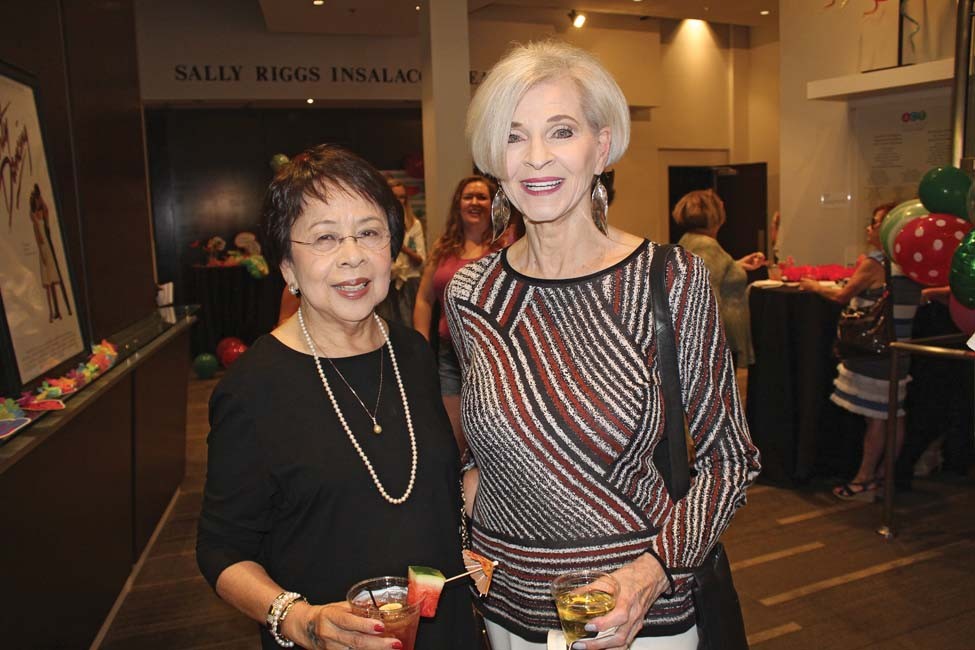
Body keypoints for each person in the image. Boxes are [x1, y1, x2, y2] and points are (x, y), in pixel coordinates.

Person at [450, 41, 761, 650]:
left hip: (632, 612)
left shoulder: (668, 279)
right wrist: (468, 495)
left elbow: (730, 459)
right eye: (513, 136)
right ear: (493, 157)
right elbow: (489, 444)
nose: (536, 157)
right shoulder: (471, 292)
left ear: (603, 145)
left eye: (561, 131)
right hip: (504, 604)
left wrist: (651, 575)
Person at [196, 144, 479, 650]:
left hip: (446, 629)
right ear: (287, 267)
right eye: (325, 237)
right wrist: (300, 620)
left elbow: (430, 489)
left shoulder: (413, 353)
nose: (352, 256)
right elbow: (222, 552)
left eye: (369, 232)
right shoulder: (252, 388)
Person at [799, 202, 921, 500]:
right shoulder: (913, 262)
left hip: (875, 353)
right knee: (894, 414)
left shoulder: (876, 262)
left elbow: (842, 295)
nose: (869, 228)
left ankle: (864, 479)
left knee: (875, 418)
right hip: (900, 348)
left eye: (875, 222)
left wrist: (814, 286)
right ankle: (884, 476)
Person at [413, 175, 499, 456]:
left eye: (482, 197)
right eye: (468, 197)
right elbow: (424, 300)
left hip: (490, 352)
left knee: (489, 430)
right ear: (458, 204)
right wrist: (421, 344)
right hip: (449, 352)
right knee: (452, 434)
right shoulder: (444, 247)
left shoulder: (505, 246)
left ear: (493, 204)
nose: (474, 202)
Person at [672, 189, 766, 368]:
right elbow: (706, 292)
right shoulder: (707, 246)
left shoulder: (690, 240)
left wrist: (736, 266)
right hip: (719, 340)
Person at [378, 178, 426, 325]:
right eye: (395, 197)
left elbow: (421, 260)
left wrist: (402, 247)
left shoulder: (414, 224)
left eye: (403, 197)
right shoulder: (378, 223)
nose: (399, 201)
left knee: (409, 325)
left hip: (409, 281)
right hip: (387, 281)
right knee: (386, 325)